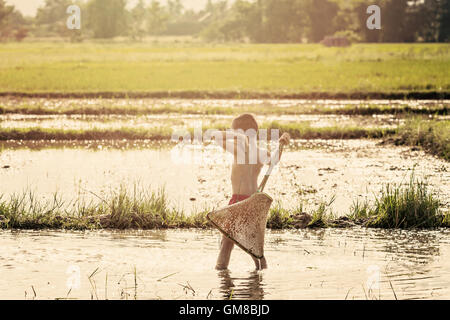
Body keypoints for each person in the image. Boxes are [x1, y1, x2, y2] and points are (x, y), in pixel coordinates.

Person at [209, 114, 290, 270]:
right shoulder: (258, 151)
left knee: (226, 243)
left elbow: (216, 136)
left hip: (239, 201)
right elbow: (273, 161)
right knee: (255, 249)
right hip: (253, 202)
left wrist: (281, 145)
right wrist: (280, 147)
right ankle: (260, 279)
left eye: (234, 132)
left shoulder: (240, 149)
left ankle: (222, 276)